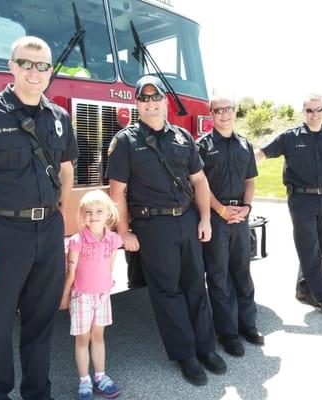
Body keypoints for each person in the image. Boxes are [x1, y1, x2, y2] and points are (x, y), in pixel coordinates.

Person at [0, 36, 78, 400]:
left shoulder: (59, 117)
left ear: (50, 70)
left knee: (42, 320)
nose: (34, 72)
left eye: (42, 65)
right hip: (3, 231)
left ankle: (38, 392)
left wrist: (59, 215)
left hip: (48, 230)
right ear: (11, 66)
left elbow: (67, 169)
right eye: (26, 63)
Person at [106, 75, 226, 386]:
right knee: (168, 293)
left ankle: (206, 347)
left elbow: (198, 181)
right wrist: (125, 232)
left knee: (195, 286)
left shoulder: (183, 137)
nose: (149, 103)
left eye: (154, 96)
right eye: (143, 98)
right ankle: (185, 354)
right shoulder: (125, 141)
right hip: (152, 226)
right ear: (137, 104)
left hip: (187, 220)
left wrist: (205, 219)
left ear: (164, 101)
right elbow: (117, 191)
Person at [256, 94, 322, 317]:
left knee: (320, 247)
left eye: (318, 109)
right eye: (310, 110)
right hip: (301, 200)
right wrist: (241, 166)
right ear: (304, 112)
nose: (314, 114)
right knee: (309, 248)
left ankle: (303, 289)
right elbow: (262, 153)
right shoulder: (290, 137)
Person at [196, 93, 263, 357]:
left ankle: (248, 325)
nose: (224, 114)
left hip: (240, 217)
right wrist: (221, 210)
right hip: (216, 216)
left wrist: (246, 208)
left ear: (235, 112)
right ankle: (228, 333)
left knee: (242, 274)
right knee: (219, 277)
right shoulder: (201, 146)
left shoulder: (245, 145)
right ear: (211, 115)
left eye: (229, 109)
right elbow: (199, 185)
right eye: (218, 110)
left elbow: (250, 180)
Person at [60, 190, 122, 400]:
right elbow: (71, 272)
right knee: (82, 339)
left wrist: (107, 286)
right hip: (82, 297)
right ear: (81, 214)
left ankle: (100, 376)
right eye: (88, 211)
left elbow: (110, 266)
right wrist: (64, 296)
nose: (93, 215)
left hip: (102, 296)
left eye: (98, 211)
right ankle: (84, 379)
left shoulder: (113, 239)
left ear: (108, 214)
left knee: (98, 337)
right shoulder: (77, 241)